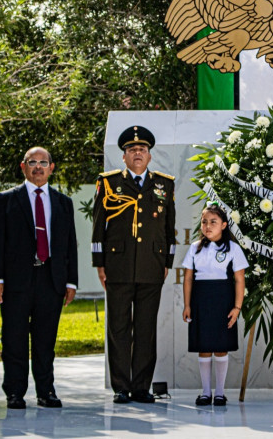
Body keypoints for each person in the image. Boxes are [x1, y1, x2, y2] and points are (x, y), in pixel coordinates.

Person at [0, 146, 78, 409]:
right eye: (32, 162)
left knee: (45, 340)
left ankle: (46, 391)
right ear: (23, 166)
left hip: (51, 280)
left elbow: (70, 244)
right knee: (14, 338)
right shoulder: (7, 199)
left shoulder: (63, 202)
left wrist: (70, 281)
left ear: (51, 167)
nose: (38, 167)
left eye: (43, 162)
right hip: (16, 281)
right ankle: (15, 392)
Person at [92, 126, 176, 404]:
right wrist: (99, 263)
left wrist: (167, 262)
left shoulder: (165, 184)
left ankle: (141, 386)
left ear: (149, 156)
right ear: (124, 157)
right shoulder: (108, 183)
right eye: (132, 150)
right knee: (118, 329)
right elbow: (98, 229)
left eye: (142, 150)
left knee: (145, 328)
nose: (137, 153)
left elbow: (169, 228)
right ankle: (121, 386)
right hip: (118, 265)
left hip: (152, 266)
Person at [181, 204, 248, 406]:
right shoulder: (194, 248)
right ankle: (205, 392)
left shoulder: (233, 249)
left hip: (223, 301)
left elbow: (239, 280)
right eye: (204, 222)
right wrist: (187, 305)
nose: (208, 226)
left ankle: (219, 392)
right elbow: (188, 279)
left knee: (220, 347)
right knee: (204, 347)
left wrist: (237, 307)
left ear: (224, 225)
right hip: (200, 301)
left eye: (213, 222)